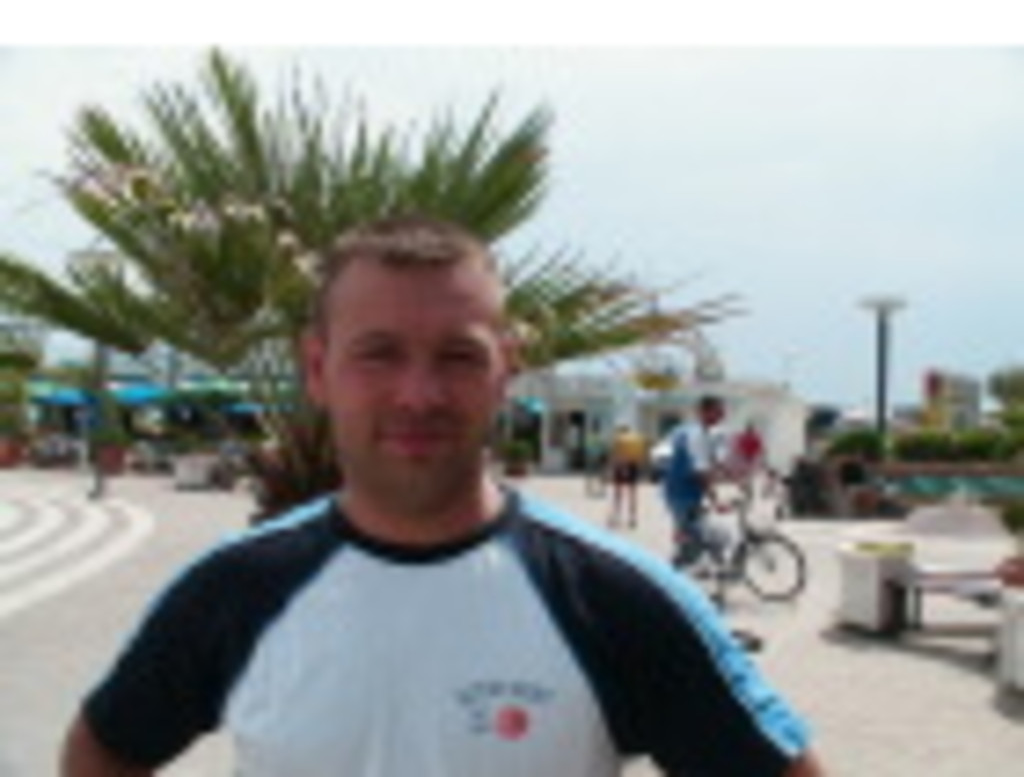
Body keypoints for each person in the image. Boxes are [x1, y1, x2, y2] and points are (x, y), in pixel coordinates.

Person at [61, 215, 826, 777]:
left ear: (505, 372)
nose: (419, 394)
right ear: (318, 370)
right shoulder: (233, 591)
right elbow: (104, 751)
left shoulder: (614, 599)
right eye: (379, 354)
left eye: (458, 356)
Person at [663, 394, 728, 564]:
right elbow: (700, 474)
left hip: (681, 494)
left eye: (722, 412)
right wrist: (716, 501)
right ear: (704, 412)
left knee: (699, 540)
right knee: (696, 544)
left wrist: (731, 475)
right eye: (718, 412)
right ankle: (672, 574)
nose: (722, 416)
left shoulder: (691, 431)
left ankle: (687, 567)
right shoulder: (695, 435)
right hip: (683, 496)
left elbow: (711, 461)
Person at [606, 421, 647, 527]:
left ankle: (617, 516)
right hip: (633, 466)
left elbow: (614, 455)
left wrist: (610, 469)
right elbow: (641, 457)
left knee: (618, 494)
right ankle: (632, 518)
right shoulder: (635, 440)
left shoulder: (618, 440)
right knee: (632, 494)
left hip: (620, 466)